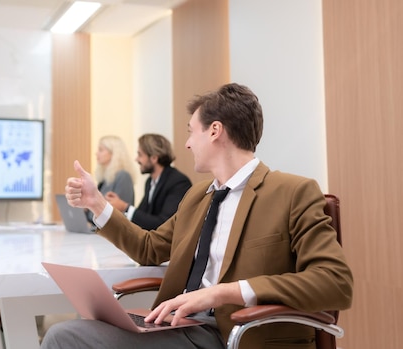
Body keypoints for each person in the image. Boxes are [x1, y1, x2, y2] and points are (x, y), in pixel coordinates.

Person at [44, 83, 353, 348]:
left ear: (215, 131)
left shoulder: (292, 192)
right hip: (183, 328)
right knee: (73, 332)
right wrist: (98, 205)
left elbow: (335, 283)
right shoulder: (197, 197)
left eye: (192, 132)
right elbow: (149, 248)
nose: (188, 143)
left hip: (235, 335)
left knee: (65, 337)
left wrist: (222, 293)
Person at [105, 133, 191, 230]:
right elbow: (143, 215)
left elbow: (164, 223)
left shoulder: (178, 182)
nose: (136, 159)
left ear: (154, 158)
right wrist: (120, 206)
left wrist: (125, 207)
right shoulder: (150, 182)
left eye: (140, 155)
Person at [87, 135, 136, 222]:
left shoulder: (123, 176)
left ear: (114, 153)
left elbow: (119, 215)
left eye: (101, 150)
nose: (96, 153)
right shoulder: (104, 180)